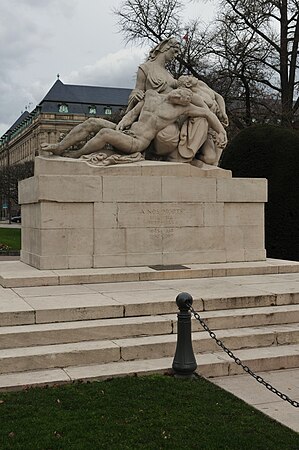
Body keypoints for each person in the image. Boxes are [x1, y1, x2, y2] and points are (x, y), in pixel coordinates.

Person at [44, 88, 226, 160]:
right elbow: (133, 112)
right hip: (127, 131)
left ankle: (77, 154)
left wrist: (220, 132)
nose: (179, 97)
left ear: (185, 103)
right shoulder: (152, 95)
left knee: (105, 134)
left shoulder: (179, 110)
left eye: (185, 99)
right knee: (92, 122)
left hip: (137, 142)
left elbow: (207, 113)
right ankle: (60, 147)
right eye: (180, 93)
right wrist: (125, 120)